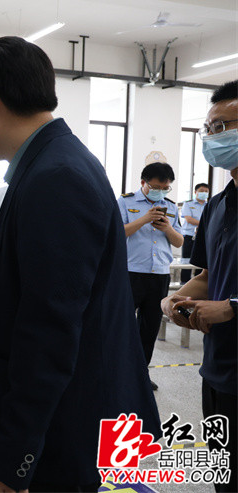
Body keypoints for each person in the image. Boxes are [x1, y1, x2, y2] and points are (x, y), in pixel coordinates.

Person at [0, 36, 160, 492]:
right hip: (61, 416)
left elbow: (49, 331)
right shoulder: (50, 163)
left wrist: (13, 454)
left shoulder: (57, 178)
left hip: (63, 425)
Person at [161, 79, 237, 493]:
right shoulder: (218, 205)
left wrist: (231, 306)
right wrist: (175, 299)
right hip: (219, 368)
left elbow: (227, 298)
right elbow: (208, 275)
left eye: (222, 127)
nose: (212, 137)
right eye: (208, 129)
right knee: (225, 476)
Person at [118, 162, 183, 390]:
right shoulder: (126, 202)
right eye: (156, 187)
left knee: (150, 327)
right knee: (122, 326)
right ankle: (117, 373)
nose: (161, 192)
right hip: (131, 273)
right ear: (143, 183)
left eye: (166, 188)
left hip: (159, 275)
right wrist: (143, 219)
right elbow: (116, 233)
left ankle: (140, 374)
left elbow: (179, 241)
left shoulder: (171, 207)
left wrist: (167, 228)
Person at [180, 182, 209, 283]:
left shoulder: (209, 205)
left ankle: (198, 285)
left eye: (206, 191)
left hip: (203, 237)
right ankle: (184, 284)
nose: (204, 193)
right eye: (201, 191)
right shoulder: (188, 204)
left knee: (200, 263)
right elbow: (189, 219)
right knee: (186, 262)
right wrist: (204, 224)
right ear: (195, 192)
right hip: (189, 236)